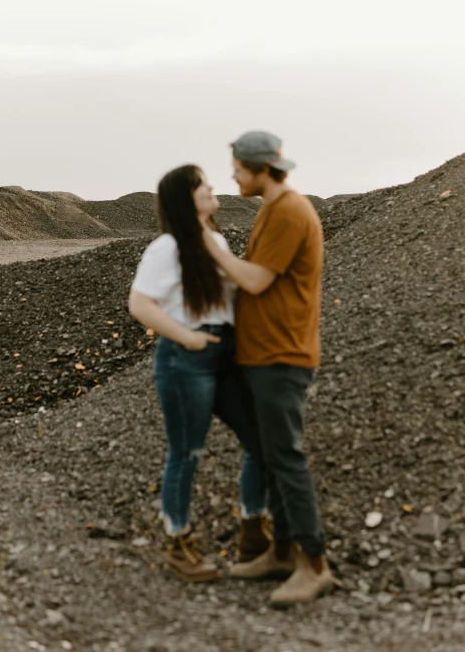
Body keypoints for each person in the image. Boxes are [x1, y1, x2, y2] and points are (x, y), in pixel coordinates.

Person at [201, 130, 336, 606]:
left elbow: (256, 280)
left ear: (259, 167)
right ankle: (281, 552)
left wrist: (210, 246)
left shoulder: (290, 211)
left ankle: (315, 564)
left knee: (286, 457)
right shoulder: (274, 210)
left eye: (237, 166)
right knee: (271, 454)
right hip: (264, 353)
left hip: (283, 354)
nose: (233, 175)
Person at [128, 164, 270, 583]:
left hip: (224, 355)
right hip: (185, 358)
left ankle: (252, 532)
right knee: (187, 453)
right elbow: (140, 304)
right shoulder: (167, 247)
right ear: (184, 197)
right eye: (201, 184)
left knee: (261, 439)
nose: (212, 187)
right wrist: (187, 338)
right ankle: (178, 543)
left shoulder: (217, 240)